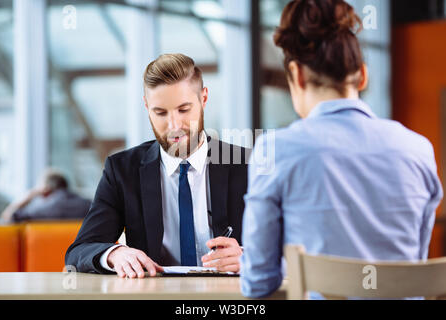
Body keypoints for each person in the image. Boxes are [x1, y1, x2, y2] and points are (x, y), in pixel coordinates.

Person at [240, 0, 443, 298]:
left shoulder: (275, 150)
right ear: (362, 75)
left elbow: (257, 282)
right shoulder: (419, 149)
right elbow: (414, 263)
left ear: (296, 75)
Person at [65, 53, 249, 278]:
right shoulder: (122, 170)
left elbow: (293, 244)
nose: (174, 125)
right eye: (160, 112)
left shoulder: (246, 165)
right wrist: (114, 253)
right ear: (146, 106)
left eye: (183, 110)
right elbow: (79, 251)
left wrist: (251, 256)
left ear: (204, 98)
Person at [1, 169, 91, 223]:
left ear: (45, 189)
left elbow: (8, 216)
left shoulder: (47, 207)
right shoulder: (87, 203)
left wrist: (30, 195)